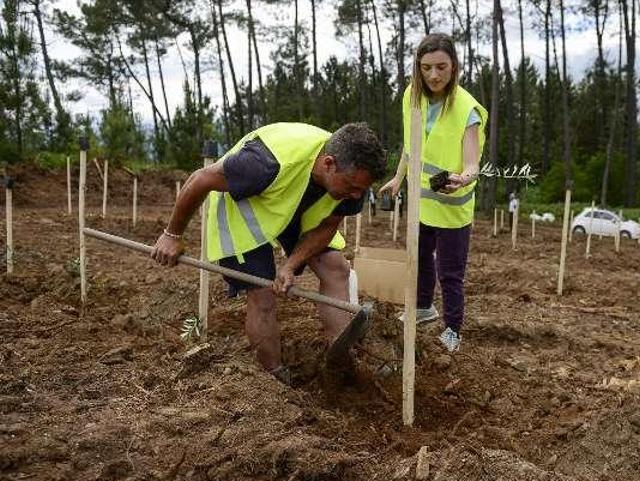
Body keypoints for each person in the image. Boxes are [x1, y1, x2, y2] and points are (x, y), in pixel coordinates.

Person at [151, 122, 386, 384]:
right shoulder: (263, 163)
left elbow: (328, 226)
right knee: (262, 293)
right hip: (243, 212)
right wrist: (172, 235)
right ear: (329, 164)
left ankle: (340, 361)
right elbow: (200, 178)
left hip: (293, 207)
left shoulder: (354, 180)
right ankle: (274, 379)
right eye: (352, 186)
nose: (356, 195)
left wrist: (291, 264)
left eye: (362, 190)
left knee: (337, 269)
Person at [379, 33, 488, 353]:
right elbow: (412, 147)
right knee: (421, 259)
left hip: (452, 205)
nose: (434, 75)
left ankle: (453, 329)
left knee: (450, 273)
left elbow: (472, 164)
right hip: (421, 202)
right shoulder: (412, 96)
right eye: (426, 68)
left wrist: (464, 179)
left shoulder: (467, 108)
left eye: (441, 67)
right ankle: (424, 307)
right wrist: (397, 179)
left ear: (454, 67)